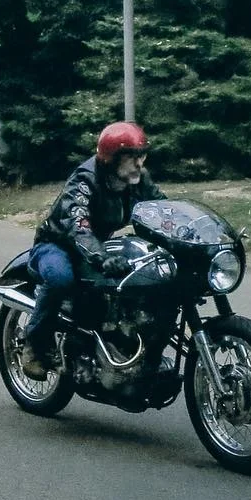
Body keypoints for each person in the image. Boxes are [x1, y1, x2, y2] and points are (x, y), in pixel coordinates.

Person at [20, 120, 165, 380]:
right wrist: (102, 257)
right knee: (60, 277)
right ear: (112, 158)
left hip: (98, 245)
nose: (139, 163)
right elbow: (78, 226)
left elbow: (162, 209)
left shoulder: (138, 179)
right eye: (131, 157)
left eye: (141, 155)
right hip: (57, 244)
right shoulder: (85, 180)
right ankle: (36, 344)